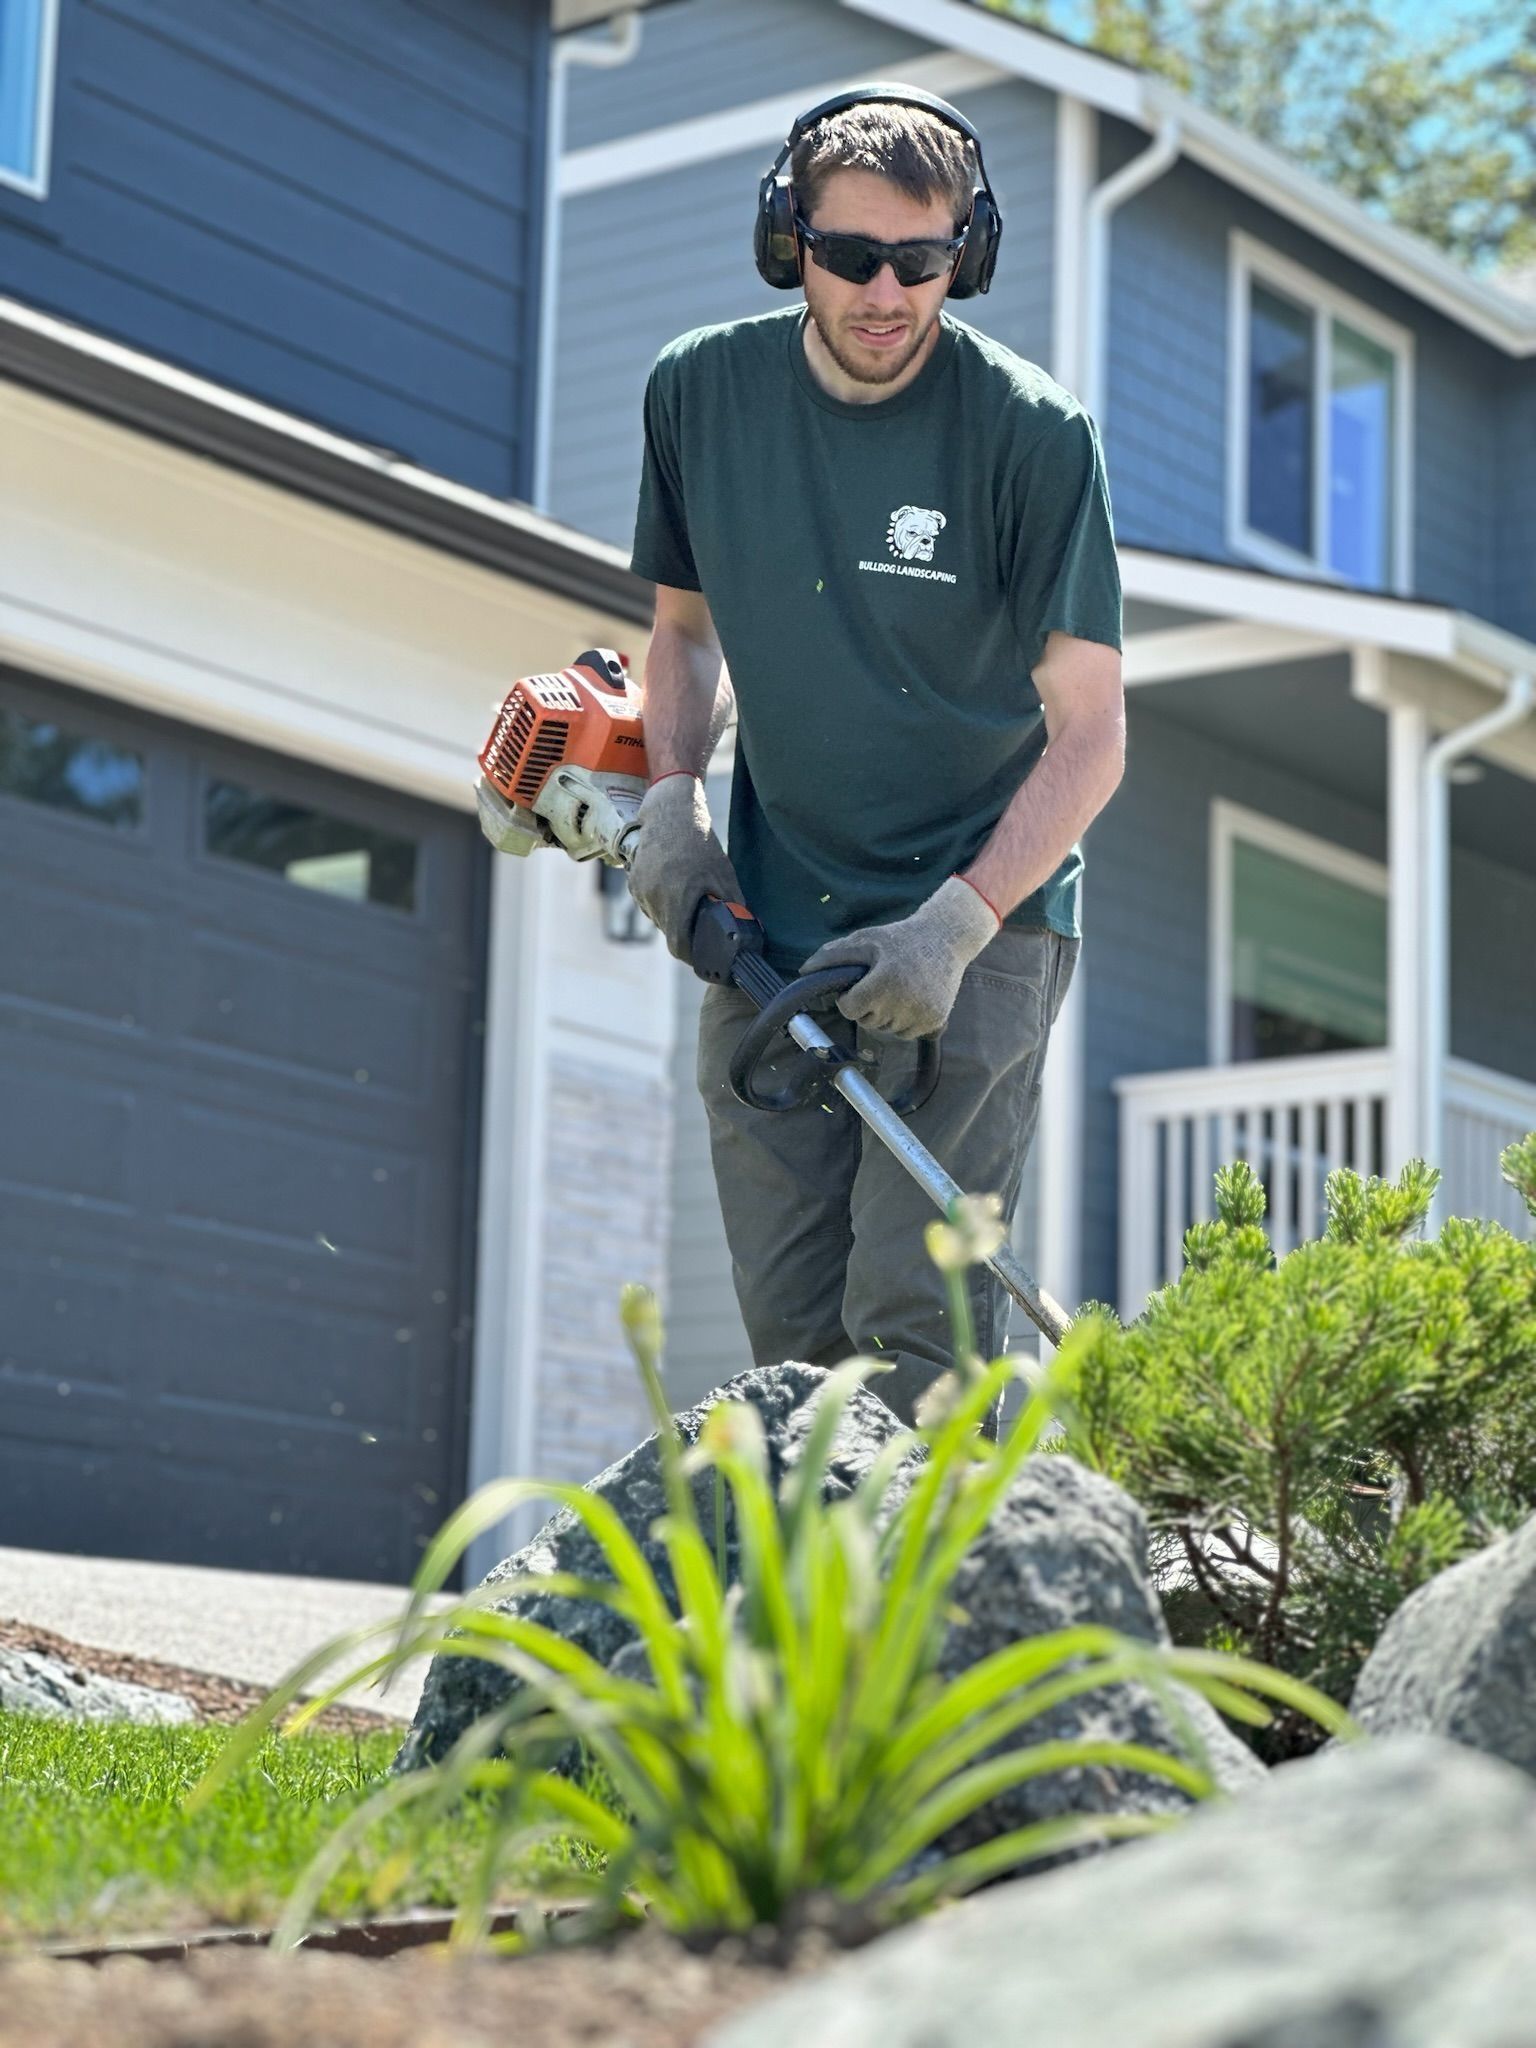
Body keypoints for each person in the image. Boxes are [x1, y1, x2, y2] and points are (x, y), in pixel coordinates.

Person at [626, 84, 1124, 1426]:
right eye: (851, 257)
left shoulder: (1032, 435)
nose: (888, 293)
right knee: (791, 1349)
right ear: (791, 240)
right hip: (772, 927)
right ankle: (813, 1638)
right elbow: (682, 634)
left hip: (980, 933)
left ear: (970, 250)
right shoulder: (699, 394)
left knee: (916, 1336)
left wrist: (957, 925)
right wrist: (672, 805)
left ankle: (955, 1631)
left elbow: (1092, 734)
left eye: (924, 259)